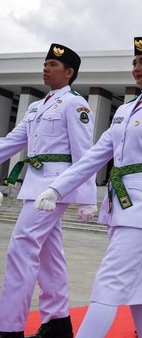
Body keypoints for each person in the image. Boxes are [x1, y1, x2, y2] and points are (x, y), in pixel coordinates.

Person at [34, 37, 142, 338]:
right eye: (134, 62)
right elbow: (95, 155)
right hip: (120, 205)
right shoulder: (125, 110)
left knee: (108, 282)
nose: (136, 68)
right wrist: (57, 188)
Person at [0, 43, 96, 338]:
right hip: (34, 185)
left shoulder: (75, 104)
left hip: (57, 186)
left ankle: (10, 327)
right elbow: (12, 142)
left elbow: (85, 153)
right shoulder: (36, 107)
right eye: (45, 63)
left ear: (69, 73)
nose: (46, 68)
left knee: (22, 247)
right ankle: (57, 321)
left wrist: (87, 199)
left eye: (52, 65)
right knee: (48, 254)